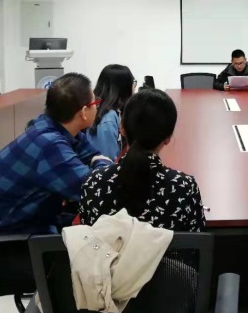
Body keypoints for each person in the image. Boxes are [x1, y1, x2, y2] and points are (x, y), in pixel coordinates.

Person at [0, 73, 113, 241]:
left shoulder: (52, 126)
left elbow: (92, 156)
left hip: (24, 223)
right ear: (84, 112)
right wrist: (100, 163)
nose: (97, 107)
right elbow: (96, 190)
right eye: (95, 103)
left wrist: (98, 162)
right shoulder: (49, 146)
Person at [79, 89, 206, 232]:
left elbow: (87, 237)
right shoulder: (184, 187)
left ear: (122, 128)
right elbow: (196, 239)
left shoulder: (93, 182)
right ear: (168, 138)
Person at [86, 64, 136, 161]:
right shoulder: (108, 118)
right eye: (133, 83)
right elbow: (106, 160)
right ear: (124, 87)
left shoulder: (108, 111)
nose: (134, 88)